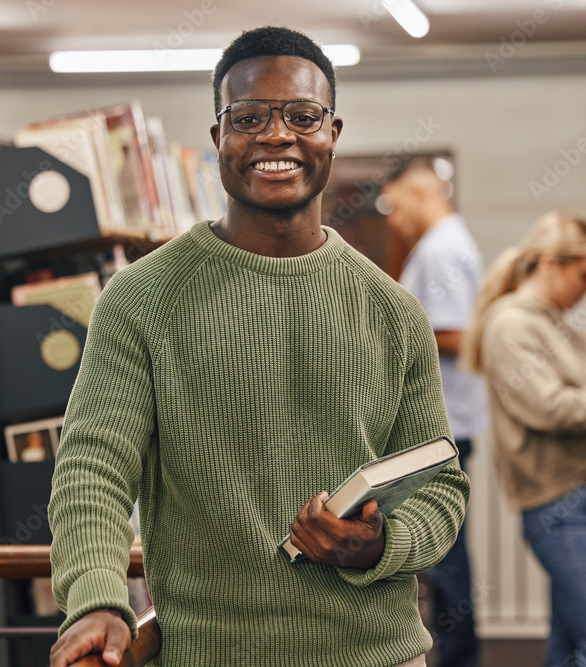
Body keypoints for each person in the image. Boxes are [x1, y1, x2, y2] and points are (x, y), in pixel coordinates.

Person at [47, 26, 470, 667]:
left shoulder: (393, 312)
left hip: (378, 654)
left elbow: (440, 490)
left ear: (332, 132)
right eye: (249, 118)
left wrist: (381, 545)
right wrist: (98, 600)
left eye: (303, 116)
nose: (277, 136)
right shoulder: (140, 300)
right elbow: (92, 472)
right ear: (219, 139)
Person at [460, 211, 586, 667]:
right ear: (551, 264)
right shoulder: (511, 325)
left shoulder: (554, 324)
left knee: (573, 645)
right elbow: (549, 406)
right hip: (561, 504)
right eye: (585, 274)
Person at [382, 156, 485, 667]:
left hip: (442, 430)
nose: (393, 220)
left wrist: (386, 336)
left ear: (420, 192)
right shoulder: (444, 246)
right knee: (443, 556)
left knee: (443, 557)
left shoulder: (442, 251)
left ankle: (461, 660)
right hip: (449, 426)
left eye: (395, 205)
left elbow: (459, 333)